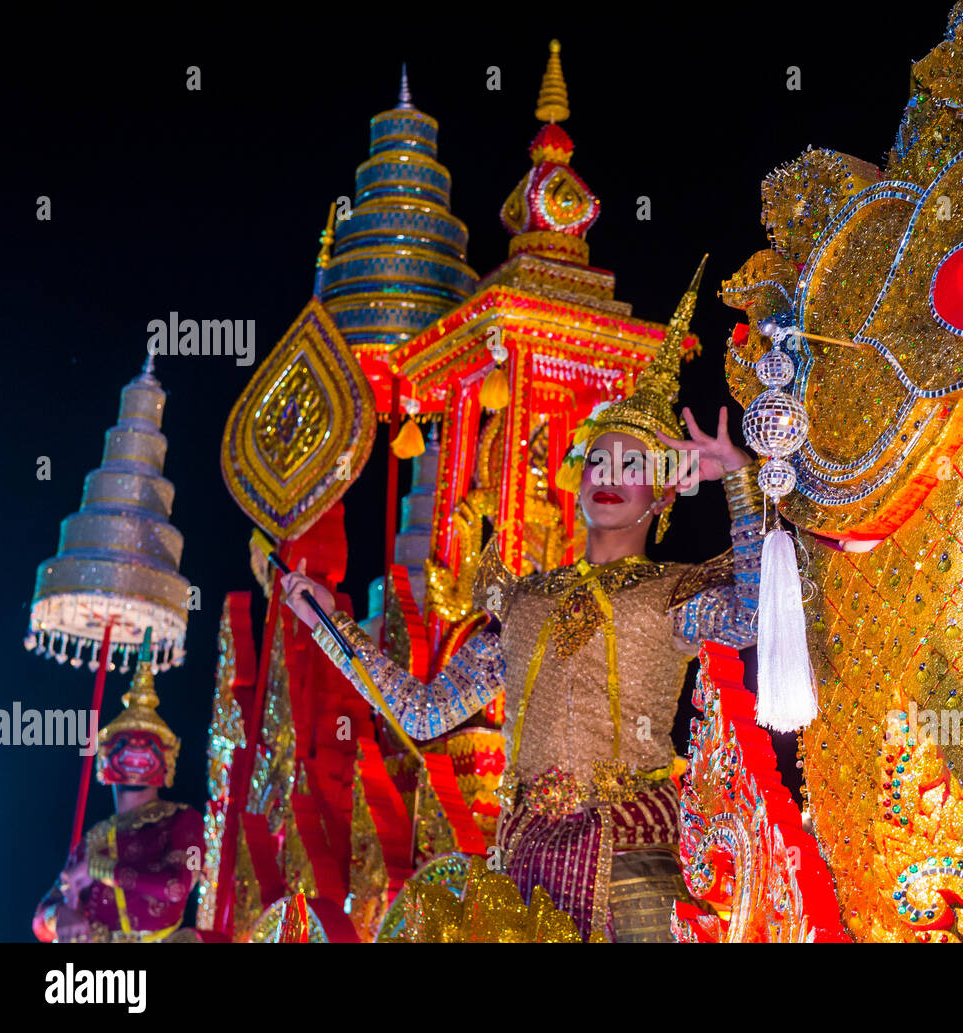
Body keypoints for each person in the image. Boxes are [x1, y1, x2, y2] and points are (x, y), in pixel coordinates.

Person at [282, 261, 764, 941]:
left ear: (661, 494)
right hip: (524, 865)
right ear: (576, 478)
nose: (611, 477)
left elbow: (751, 611)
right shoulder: (523, 600)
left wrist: (737, 478)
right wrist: (331, 626)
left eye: (635, 467)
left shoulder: (672, 593)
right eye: (600, 460)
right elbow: (426, 712)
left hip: (632, 869)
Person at [33, 629, 204, 943]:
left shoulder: (184, 821)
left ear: (167, 760)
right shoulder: (95, 838)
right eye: (125, 747)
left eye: (146, 747)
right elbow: (41, 918)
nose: (135, 758)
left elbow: (178, 885)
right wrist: (62, 917)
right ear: (104, 758)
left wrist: (100, 869)